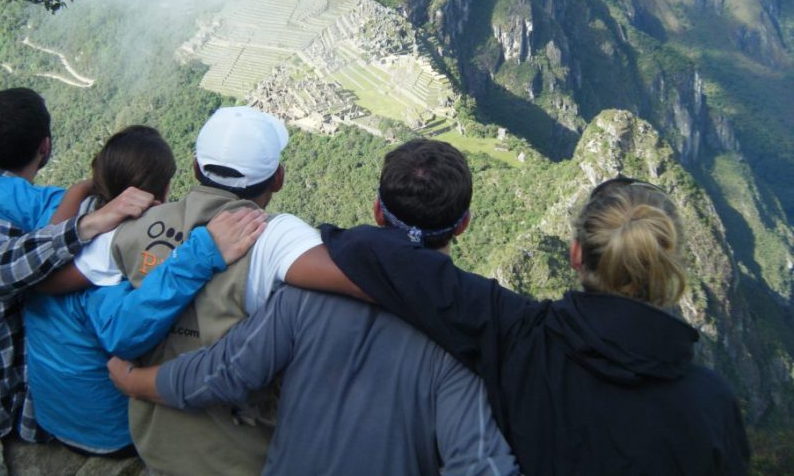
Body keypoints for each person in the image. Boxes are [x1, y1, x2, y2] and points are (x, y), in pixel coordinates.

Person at [319, 140, 750, 475]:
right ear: (667, 268)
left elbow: (392, 260)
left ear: (576, 254)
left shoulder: (515, 333)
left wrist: (276, 243)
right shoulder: (713, 405)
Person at [107, 139, 519, 476]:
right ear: (463, 223)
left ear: (378, 210)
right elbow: (480, 463)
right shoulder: (461, 336)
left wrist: (135, 383)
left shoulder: (303, 296)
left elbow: (224, 372)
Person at [0, 125, 266, 455]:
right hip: (105, 433)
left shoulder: (51, 221)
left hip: (48, 415)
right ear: (164, 190)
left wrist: (82, 188)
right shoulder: (112, 269)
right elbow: (126, 334)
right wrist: (203, 253)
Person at [76, 106, 358, 476]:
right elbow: (361, 280)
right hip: (242, 458)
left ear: (195, 168)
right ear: (278, 178)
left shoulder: (129, 225)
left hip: (155, 448)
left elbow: (63, 280)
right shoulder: (275, 237)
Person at [0, 88, 154, 441]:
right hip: (5, 403)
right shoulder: (3, 219)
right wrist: (88, 224)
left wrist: (80, 191)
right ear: (45, 146)